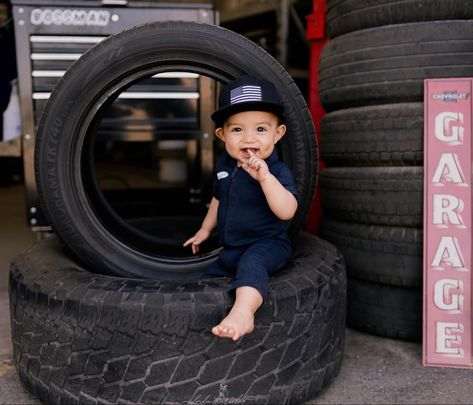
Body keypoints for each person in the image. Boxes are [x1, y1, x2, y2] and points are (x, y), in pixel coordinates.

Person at [184, 75, 298, 341]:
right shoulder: (226, 167)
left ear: (278, 133)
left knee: (251, 265)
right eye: (237, 130)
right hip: (232, 248)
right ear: (222, 135)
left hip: (267, 244)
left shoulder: (276, 171)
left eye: (260, 129)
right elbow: (218, 199)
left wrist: (265, 179)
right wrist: (203, 230)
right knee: (209, 276)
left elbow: (287, 210)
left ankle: (244, 314)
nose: (249, 138)